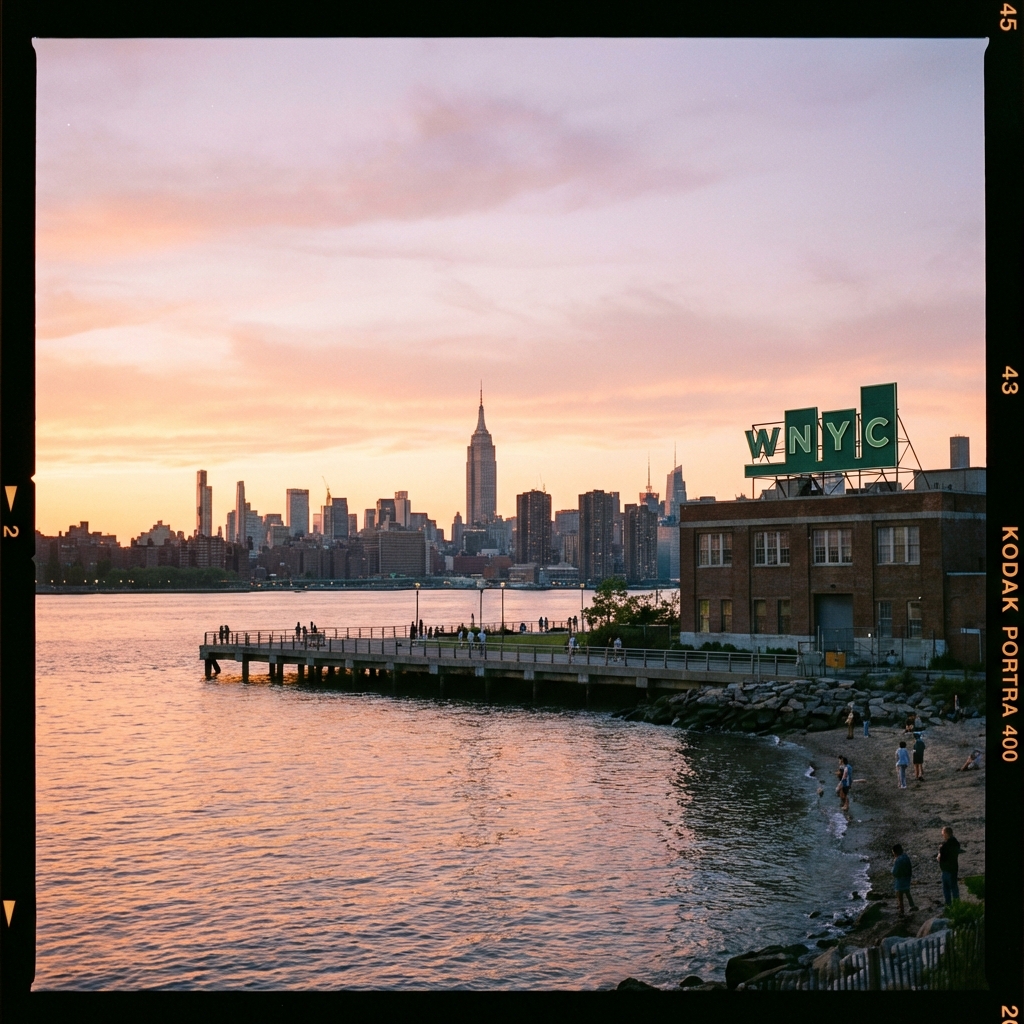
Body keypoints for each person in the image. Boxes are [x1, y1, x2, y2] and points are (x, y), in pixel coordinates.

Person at [890, 844, 918, 917]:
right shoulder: (906, 857)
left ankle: (901, 911)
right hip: (907, 879)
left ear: (896, 852)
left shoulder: (898, 860)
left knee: (899, 896)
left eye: (893, 852)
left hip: (900, 880)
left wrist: (892, 870)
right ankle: (912, 906)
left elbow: (894, 872)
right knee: (907, 892)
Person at [936, 827, 961, 906]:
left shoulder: (944, 846)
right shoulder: (956, 843)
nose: (943, 836)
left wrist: (939, 855)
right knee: (954, 889)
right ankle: (957, 905)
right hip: (954, 868)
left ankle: (949, 905)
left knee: (947, 889)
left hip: (946, 870)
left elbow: (941, 858)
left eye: (943, 834)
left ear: (946, 834)